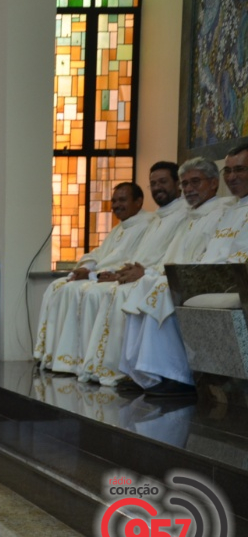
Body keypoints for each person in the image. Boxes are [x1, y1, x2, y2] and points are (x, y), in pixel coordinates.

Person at [120, 147, 248, 394]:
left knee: (162, 288)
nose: (232, 177)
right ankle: (145, 371)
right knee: (147, 286)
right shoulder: (231, 209)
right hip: (211, 276)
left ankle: (175, 375)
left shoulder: (221, 209)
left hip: (232, 280)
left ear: (212, 184)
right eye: (228, 170)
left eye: (240, 169)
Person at [78, 162, 189, 385]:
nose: (157, 187)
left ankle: (133, 369)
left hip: (158, 276)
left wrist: (143, 272)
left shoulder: (184, 213)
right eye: (153, 184)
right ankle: (108, 365)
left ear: (177, 184)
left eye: (162, 182)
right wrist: (118, 272)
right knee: (98, 291)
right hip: (143, 274)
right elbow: (133, 255)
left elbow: (170, 254)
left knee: (116, 294)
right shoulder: (157, 217)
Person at [34, 182, 152, 372]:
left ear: (138, 202)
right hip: (100, 276)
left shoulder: (147, 225)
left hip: (117, 278)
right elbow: (100, 253)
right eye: (114, 201)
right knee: (58, 286)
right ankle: (58, 357)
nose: (116, 205)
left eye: (122, 200)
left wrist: (94, 275)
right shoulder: (120, 228)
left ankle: (91, 361)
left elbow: (132, 261)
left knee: (90, 293)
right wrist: (86, 268)